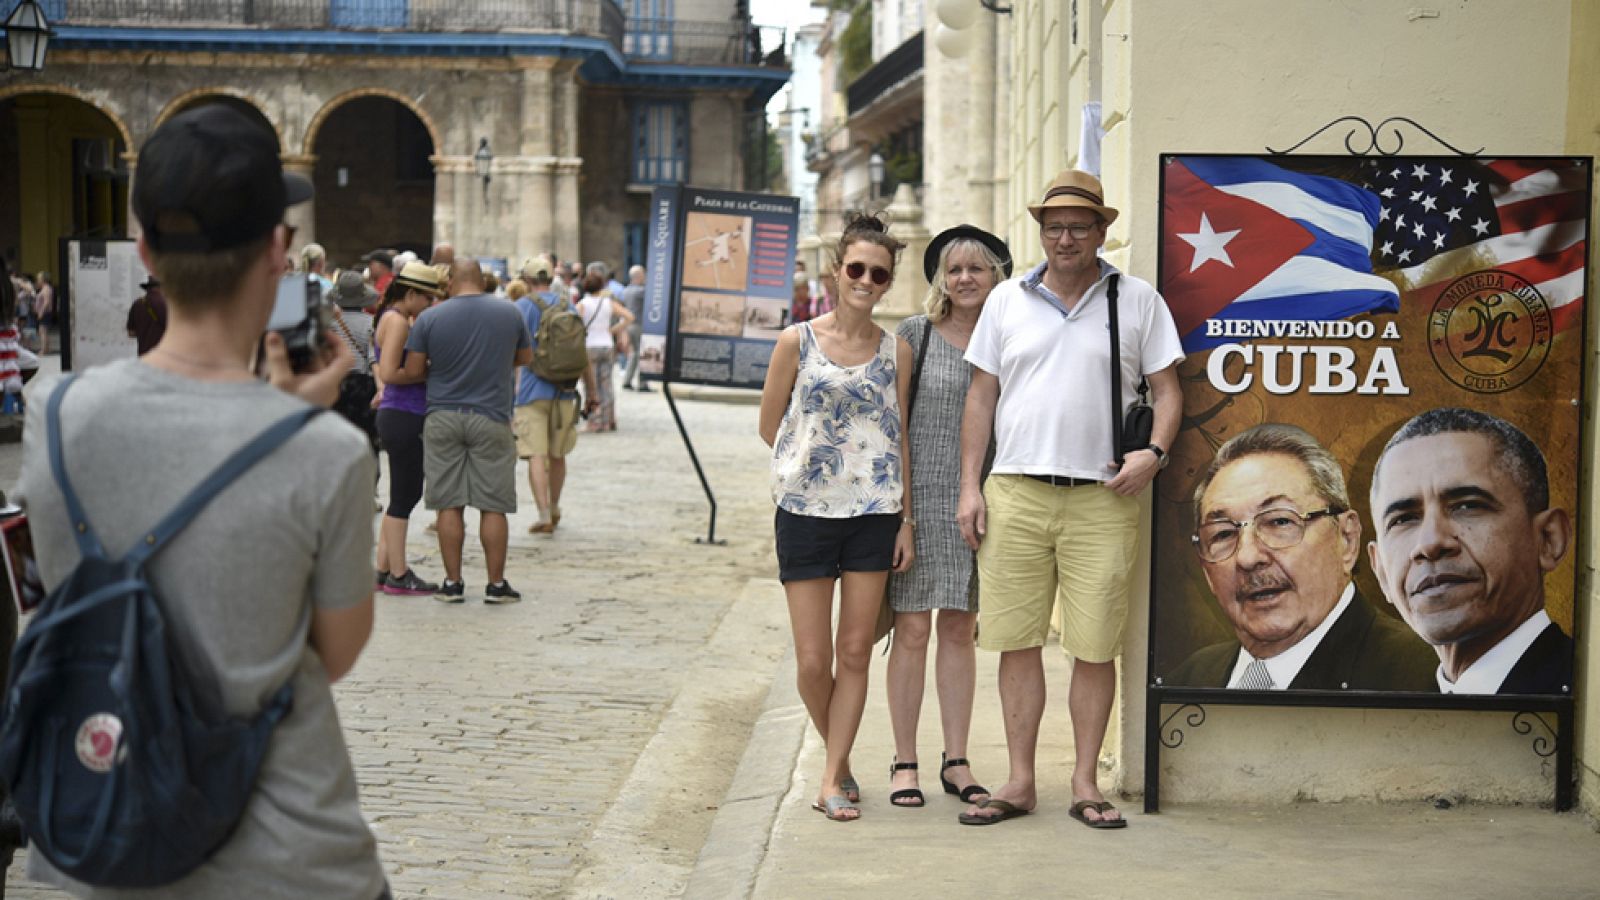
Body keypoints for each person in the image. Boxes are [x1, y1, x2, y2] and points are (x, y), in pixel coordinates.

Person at [15, 103, 387, 898]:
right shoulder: (327, 452)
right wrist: (294, 420)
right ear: (278, 251)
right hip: (289, 859)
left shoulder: (55, 415)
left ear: (145, 247)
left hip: (98, 840)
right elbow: (339, 650)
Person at [955, 170, 1182, 829]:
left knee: (1093, 644)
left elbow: (1169, 390)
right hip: (1016, 493)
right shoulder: (1005, 302)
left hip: (1104, 497)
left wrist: (1156, 453)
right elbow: (981, 397)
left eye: (1079, 227)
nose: (1064, 238)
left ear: (1102, 232)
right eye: (1053, 226)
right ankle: (1020, 782)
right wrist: (972, 485)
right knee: (1015, 641)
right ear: (1041, 232)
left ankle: (1086, 783)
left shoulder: (1136, 299)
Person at [758, 214, 915, 822]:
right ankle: (841, 762)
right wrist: (808, 467)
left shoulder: (896, 351)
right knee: (811, 662)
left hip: (874, 515)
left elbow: (898, 436)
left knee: (854, 651)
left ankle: (829, 777)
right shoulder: (795, 341)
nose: (866, 280)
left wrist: (906, 521)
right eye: (857, 268)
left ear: (887, 281)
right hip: (804, 513)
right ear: (836, 270)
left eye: (878, 273)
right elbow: (770, 425)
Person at [884, 225, 1012, 809]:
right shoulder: (916, 336)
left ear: (996, 277)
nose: (964, 279)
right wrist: (902, 517)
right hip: (921, 501)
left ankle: (955, 760)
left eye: (976, 269)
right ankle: (904, 759)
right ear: (941, 279)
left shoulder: (1013, 335)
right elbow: (894, 432)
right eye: (954, 269)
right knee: (912, 629)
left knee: (960, 628)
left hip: (982, 502)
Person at [1169, 424, 1436, 691]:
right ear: (1206, 571)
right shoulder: (1190, 680)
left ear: (1347, 539)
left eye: (1279, 521)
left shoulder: (1428, 676)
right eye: (1223, 534)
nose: (1248, 557)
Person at [1367, 408, 1575, 695]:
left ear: (1549, 539)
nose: (1430, 544)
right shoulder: (1386, 715)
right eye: (1403, 519)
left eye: (1467, 505)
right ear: (1381, 573)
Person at [394, 258, 532, 604]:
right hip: (492, 415)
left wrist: (441, 369)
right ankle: (496, 584)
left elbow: (412, 370)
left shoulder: (429, 317)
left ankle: (453, 583)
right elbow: (525, 357)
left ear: (452, 280)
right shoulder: (510, 313)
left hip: (443, 414)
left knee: (448, 504)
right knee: (493, 504)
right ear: (482, 281)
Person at [372, 261, 448, 596]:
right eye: (427, 298)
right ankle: (399, 574)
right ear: (412, 293)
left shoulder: (388, 316)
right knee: (406, 494)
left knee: (399, 495)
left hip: (395, 413)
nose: (429, 305)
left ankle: (384, 567)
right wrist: (428, 372)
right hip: (404, 412)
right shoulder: (399, 322)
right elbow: (390, 373)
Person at [513, 266, 598, 534]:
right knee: (558, 454)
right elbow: (581, 354)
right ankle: (555, 506)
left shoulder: (520, 307)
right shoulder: (568, 306)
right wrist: (592, 393)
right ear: (549, 280)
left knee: (536, 455)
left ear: (526, 280)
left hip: (531, 390)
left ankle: (542, 514)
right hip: (564, 390)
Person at [575, 271, 634, 433]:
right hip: (606, 344)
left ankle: (594, 420)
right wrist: (613, 330)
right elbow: (629, 317)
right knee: (607, 384)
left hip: (589, 346)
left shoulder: (582, 304)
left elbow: (573, 324)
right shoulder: (608, 303)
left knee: (591, 385)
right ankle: (609, 420)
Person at [620, 264, 649, 392]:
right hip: (639, 325)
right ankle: (642, 383)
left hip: (628, 326)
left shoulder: (625, 291)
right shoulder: (642, 291)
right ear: (639, 276)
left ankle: (627, 380)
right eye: (644, 274)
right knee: (642, 354)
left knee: (635, 354)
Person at [125, 276, 168, 356]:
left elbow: (131, 333)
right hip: (163, 355)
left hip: (143, 355)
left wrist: (145, 331)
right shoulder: (167, 304)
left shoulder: (137, 303)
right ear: (160, 287)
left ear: (147, 288)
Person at [32, 271, 53, 355]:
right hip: (45, 312)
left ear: (43, 279)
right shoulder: (45, 288)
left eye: (39, 278)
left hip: (44, 312)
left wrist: (41, 312)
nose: (38, 280)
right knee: (44, 331)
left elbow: (47, 302)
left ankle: (43, 350)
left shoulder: (46, 288)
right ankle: (46, 349)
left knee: (42, 331)